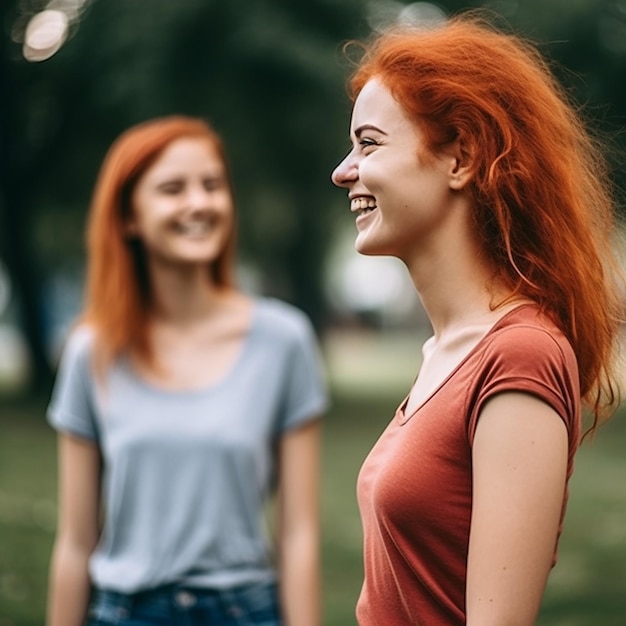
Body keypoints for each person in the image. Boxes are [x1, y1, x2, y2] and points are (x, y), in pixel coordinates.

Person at [331, 13, 623, 626]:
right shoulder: (446, 351)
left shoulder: (521, 355)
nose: (343, 170)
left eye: (370, 143)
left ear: (461, 158)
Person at [46, 115, 328, 626]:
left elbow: (298, 536)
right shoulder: (91, 351)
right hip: (124, 611)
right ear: (128, 218)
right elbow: (75, 541)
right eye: (173, 189)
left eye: (212, 185)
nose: (199, 203)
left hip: (245, 610)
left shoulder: (284, 340)